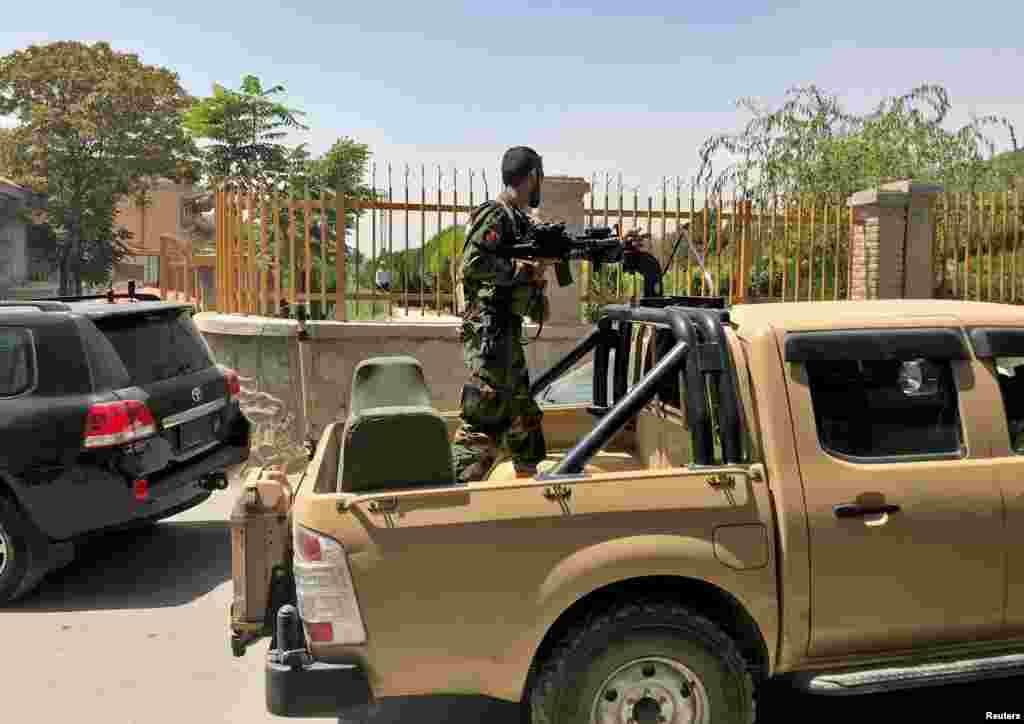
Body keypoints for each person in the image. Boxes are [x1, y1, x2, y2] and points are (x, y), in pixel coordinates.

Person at [451, 146, 551, 482]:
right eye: (540, 177)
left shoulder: (518, 219)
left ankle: (529, 486)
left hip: (504, 331)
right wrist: (524, 272)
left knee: (523, 416)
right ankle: (452, 491)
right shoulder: (494, 214)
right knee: (484, 418)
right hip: (489, 334)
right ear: (533, 176)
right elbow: (473, 265)